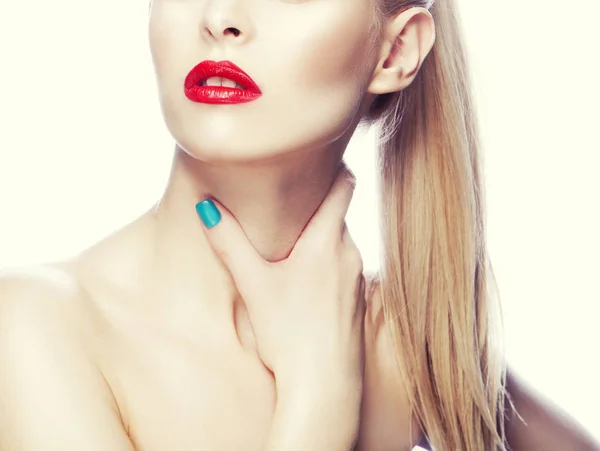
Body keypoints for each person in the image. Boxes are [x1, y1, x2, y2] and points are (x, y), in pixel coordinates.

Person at [0, 0, 598, 449]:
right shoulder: (32, 330)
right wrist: (319, 399)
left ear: (394, 53)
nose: (221, 17)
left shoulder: (407, 349)